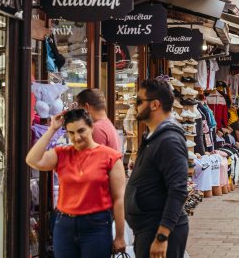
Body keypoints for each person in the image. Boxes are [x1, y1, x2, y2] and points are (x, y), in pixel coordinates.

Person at [26, 109, 126, 256]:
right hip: (64, 225)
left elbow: (118, 200)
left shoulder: (110, 156)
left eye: (81, 131)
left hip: (96, 226)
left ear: (91, 127)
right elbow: (32, 160)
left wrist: (120, 236)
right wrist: (52, 129)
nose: (77, 137)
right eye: (71, 133)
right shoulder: (62, 153)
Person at [126, 78, 190, 258]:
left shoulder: (169, 140)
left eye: (139, 101)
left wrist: (162, 235)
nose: (135, 105)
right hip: (148, 228)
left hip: (158, 230)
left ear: (154, 104)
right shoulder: (154, 136)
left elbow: (178, 190)